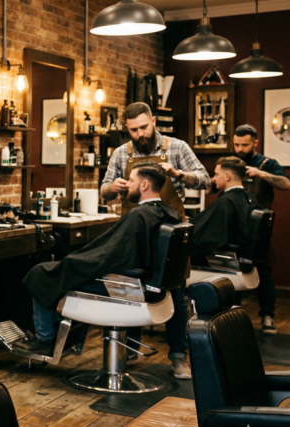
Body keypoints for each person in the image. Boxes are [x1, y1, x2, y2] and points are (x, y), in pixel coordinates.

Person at [19, 163, 182, 356]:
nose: (128, 185)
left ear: (144, 184)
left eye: (131, 180)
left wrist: (77, 260)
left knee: (42, 273)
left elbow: (111, 256)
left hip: (126, 285)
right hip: (148, 285)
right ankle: (63, 337)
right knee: (63, 269)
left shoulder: (140, 215)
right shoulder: (167, 212)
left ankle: (44, 339)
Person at [100, 102, 210, 379]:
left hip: (170, 235)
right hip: (135, 233)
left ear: (153, 121)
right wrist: (112, 188)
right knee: (132, 289)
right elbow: (104, 190)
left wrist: (178, 174)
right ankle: (130, 347)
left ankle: (178, 356)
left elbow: (205, 180)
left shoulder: (177, 147)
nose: (139, 134)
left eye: (143, 127)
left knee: (175, 292)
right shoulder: (121, 153)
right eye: (133, 130)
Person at [233, 124, 289, 334]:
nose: (240, 149)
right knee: (234, 272)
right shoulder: (231, 163)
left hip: (259, 228)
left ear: (255, 143)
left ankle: (267, 316)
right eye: (236, 144)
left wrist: (262, 174)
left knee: (264, 273)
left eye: (244, 145)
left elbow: (285, 184)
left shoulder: (267, 163)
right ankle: (233, 314)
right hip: (235, 226)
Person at [188, 157, 260, 259]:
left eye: (216, 174)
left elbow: (206, 237)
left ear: (227, 176)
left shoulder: (226, 201)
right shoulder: (248, 196)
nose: (214, 178)